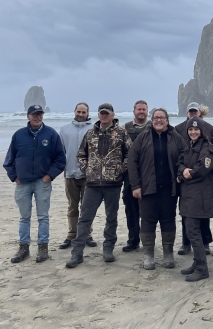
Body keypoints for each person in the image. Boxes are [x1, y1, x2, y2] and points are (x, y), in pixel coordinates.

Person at [65, 103, 132, 268]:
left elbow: (130, 154)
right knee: (85, 219)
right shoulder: (90, 133)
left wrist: (120, 169)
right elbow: (81, 154)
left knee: (111, 218)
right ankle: (77, 252)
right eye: (102, 113)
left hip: (113, 184)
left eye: (107, 113)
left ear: (112, 115)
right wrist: (87, 170)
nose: (104, 116)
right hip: (92, 184)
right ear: (98, 115)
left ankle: (108, 249)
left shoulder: (122, 133)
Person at [3, 104, 66, 263]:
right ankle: (24, 248)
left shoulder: (51, 134)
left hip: (42, 182)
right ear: (28, 116)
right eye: (34, 114)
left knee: (43, 217)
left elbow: (60, 159)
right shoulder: (19, 135)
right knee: (24, 217)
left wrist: (49, 176)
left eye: (40, 114)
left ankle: (42, 249)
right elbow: (9, 161)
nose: (37, 117)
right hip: (22, 182)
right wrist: (14, 177)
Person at [127, 108, 186, 270]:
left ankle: (168, 254)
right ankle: (148, 255)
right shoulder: (143, 137)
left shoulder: (176, 138)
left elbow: (185, 157)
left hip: (169, 188)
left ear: (167, 120)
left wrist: (181, 174)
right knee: (147, 221)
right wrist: (136, 185)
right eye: (155, 118)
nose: (158, 120)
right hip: (147, 189)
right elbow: (132, 161)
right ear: (151, 120)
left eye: (162, 118)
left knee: (168, 220)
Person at [177, 117, 213, 281]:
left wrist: (189, 174)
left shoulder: (208, 148)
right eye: (190, 130)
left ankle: (202, 269)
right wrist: (182, 172)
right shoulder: (189, 147)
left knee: (193, 231)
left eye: (196, 130)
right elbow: (179, 163)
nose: (193, 132)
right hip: (188, 196)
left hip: (200, 196)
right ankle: (197, 262)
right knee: (193, 231)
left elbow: (204, 168)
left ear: (201, 131)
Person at [58, 102, 96, 249]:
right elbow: (60, 151)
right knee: (72, 207)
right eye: (78, 112)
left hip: (88, 175)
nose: (81, 115)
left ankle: (87, 235)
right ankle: (71, 234)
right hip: (70, 174)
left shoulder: (93, 129)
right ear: (74, 111)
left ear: (88, 113)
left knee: (87, 207)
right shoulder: (65, 130)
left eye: (83, 112)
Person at [122, 100, 151, 252]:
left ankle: (148, 241)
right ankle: (133, 240)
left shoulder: (153, 126)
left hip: (148, 174)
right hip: (129, 175)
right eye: (139, 109)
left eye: (144, 109)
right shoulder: (125, 128)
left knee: (147, 210)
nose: (141, 112)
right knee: (131, 209)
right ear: (134, 111)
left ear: (147, 111)